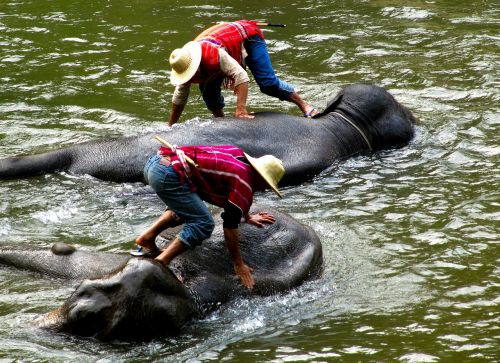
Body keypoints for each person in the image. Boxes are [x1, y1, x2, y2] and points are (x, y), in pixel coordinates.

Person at [132, 143, 285, 289]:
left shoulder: (236, 154)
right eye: (267, 185)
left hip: (159, 162)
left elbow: (233, 200)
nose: (264, 189)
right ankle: (161, 265)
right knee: (203, 223)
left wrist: (246, 215)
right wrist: (238, 264)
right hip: (169, 174)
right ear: (261, 178)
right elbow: (230, 226)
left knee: (188, 208)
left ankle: (147, 238)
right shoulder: (244, 181)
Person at [167, 20, 317, 126]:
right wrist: (170, 126)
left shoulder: (213, 55)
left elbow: (241, 76)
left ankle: (305, 106)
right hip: (220, 41)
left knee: (268, 84)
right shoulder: (184, 64)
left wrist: (241, 109)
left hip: (247, 37)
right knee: (208, 93)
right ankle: (222, 122)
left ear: (197, 65)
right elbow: (180, 98)